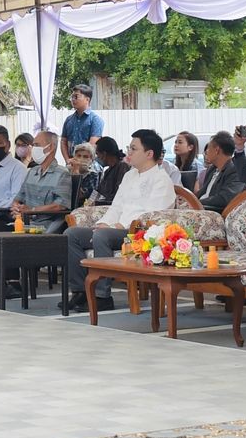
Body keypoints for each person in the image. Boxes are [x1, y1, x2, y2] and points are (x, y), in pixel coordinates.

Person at [64, 129, 178, 311]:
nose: (128, 152)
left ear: (149, 154)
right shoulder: (129, 175)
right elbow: (116, 206)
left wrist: (118, 226)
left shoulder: (161, 179)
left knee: (102, 236)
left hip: (139, 233)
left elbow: (152, 215)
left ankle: (102, 297)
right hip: (116, 229)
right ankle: (80, 292)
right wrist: (104, 223)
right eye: (129, 147)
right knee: (71, 234)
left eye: (134, 148)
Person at [14, 134, 72, 232]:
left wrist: (32, 210)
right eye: (33, 145)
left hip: (45, 225)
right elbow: (18, 198)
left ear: (50, 147)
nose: (33, 149)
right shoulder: (32, 172)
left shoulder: (62, 174)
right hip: (23, 223)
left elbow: (60, 206)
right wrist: (16, 208)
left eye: (37, 145)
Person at [195, 130, 246, 213]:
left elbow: (225, 198)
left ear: (217, 150)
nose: (206, 152)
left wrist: (197, 203)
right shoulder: (212, 169)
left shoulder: (236, 171)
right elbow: (202, 192)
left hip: (217, 213)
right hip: (201, 209)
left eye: (208, 149)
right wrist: (188, 200)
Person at [60, 84, 103, 158]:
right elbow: (63, 142)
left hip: (87, 162)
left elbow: (92, 144)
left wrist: (79, 160)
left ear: (87, 99)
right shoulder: (68, 120)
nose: (73, 99)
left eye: (76, 96)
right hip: (71, 162)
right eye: (72, 97)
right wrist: (67, 160)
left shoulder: (95, 119)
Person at [88, 134, 127, 206]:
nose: (97, 157)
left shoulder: (123, 167)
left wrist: (97, 203)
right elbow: (98, 192)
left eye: (97, 154)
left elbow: (118, 195)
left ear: (104, 154)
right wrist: (88, 203)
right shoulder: (108, 171)